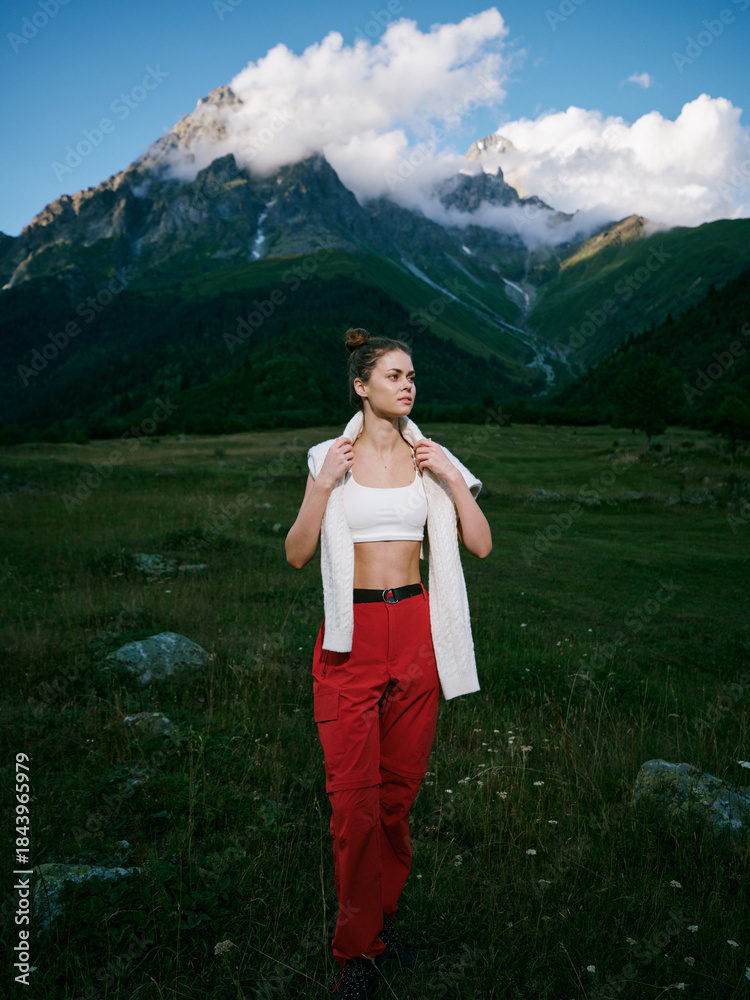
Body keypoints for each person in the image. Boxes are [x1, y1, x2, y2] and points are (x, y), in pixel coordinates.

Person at [285, 328, 491, 998]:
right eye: (394, 375)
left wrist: (453, 481)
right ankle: (357, 954)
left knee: (396, 800)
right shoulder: (328, 456)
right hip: (352, 635)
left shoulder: (431, 454)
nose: (407, 385)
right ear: (362, 384)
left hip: (418, 630)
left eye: (412, 377)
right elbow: (295, 553)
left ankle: (382, 914)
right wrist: (321, 488)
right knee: (354, 805)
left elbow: (481, 545)